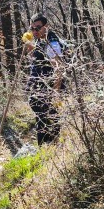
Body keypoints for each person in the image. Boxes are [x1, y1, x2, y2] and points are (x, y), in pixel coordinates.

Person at [22, 12, 63, 145]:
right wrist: (29, 43)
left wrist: (56, 91)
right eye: (32, 28)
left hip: (48, 86)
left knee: (44, 113)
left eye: (38, 28)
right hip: (39, 84)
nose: (35, 31)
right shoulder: (40, 39)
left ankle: (49, 143)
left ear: (46, 26)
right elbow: (37, 56)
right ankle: (48, 144)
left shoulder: (52, 43)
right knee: (41, 113)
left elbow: (58, 68)